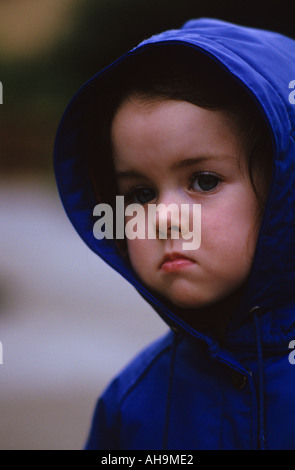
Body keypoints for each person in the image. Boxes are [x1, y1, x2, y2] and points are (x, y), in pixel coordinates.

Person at [54, 18, 295, 450]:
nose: (164, 217)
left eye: (203, 181)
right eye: (140, 193)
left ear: (283, 188)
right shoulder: (133, 403)